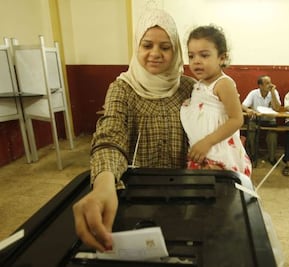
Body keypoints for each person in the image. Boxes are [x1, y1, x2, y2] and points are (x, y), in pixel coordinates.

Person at [72, 9, 196, 252]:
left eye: (165, 47)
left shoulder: (190, 89)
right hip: (135, 195)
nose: (155, 54)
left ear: (176, 51)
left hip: (185, 192)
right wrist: (104, 185)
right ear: (136, 47)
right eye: (147, 45)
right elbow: (110, 138)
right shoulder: (122, 89)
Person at [180, 25, 252, 177]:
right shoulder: (198, 85)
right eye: (191, 56)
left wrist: (207, 142)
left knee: (220, 193)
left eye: (204, 55)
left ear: (222, 58)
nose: (196, 61)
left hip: (218, 151)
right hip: (200, 151)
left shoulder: (223, 84)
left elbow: (237, 119)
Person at [242, 75, 282, 165]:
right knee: (251, 130)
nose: (270, 85)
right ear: (260, 85)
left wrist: (272, 93)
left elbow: (277, 108)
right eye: (267, 83)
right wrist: (248, 110)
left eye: (270, 82)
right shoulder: (253, 93)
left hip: (270, 120)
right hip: (256, 119)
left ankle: (272, 157)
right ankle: (252, 155)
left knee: (272, 135)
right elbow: (243, 105)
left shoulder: (274, 92)